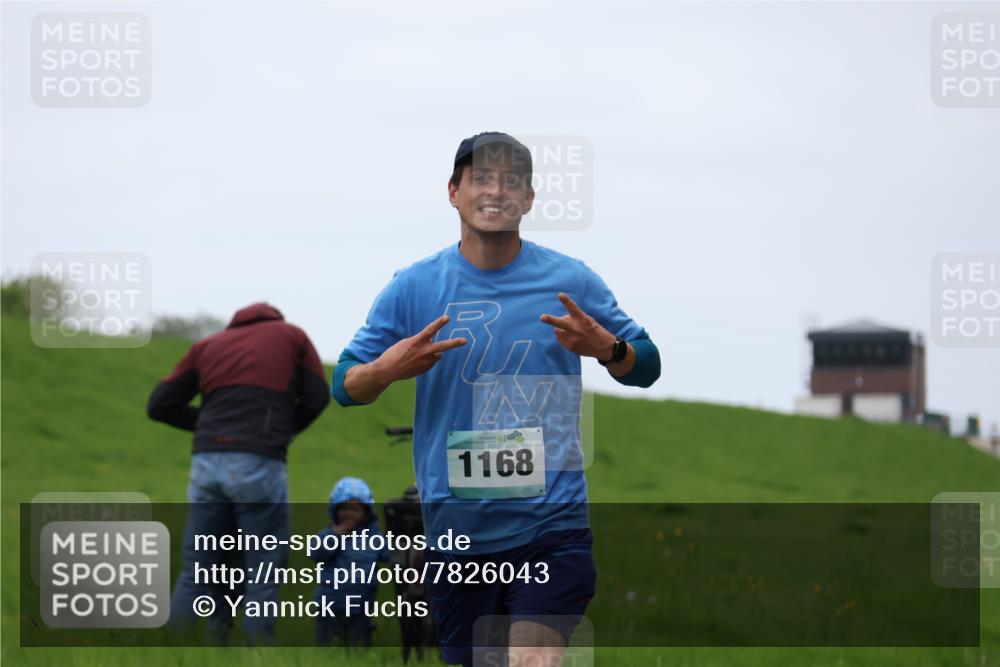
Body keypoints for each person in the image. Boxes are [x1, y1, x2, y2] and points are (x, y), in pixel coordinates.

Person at [331, 132, 660, 666]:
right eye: (481, 178)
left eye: (512, 182)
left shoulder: (569, 280)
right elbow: (343, 386)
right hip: (455, 539)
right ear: (453, 191)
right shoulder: (413, 286)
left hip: (551, 525)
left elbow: (646, 364)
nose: (496, 191)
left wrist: (607, 348)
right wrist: (387, 370)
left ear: (529, 199)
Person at [147, 302, 330, 644]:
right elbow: (318, 397)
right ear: (275, 318)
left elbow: (159, 404)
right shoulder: (292, 336)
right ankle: (258, 655)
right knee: (262, 570)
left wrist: (205, 424)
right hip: (258, 462)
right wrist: (282, 431)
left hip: (207, 463)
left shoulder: (207, 346)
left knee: (196, 571)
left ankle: (172, 653)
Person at [311, 476, 389, 647]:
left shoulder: (374, 538)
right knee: (328, 644)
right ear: (334, 510)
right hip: (330, 603)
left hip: (362, 603)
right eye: (344, 508)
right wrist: (336, 536)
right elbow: (317, 554)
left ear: (366, 513)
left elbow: (390, 555)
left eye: (355, 509)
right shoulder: (327, 535)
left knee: (359, 642)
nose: (349, 513)